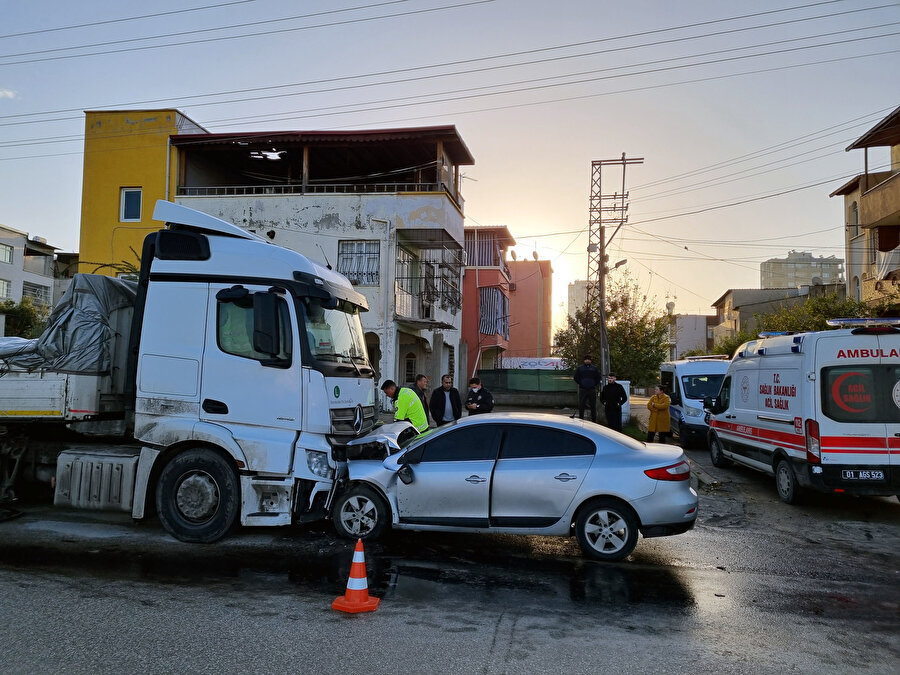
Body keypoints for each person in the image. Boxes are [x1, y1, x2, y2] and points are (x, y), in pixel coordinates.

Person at [573, 354, 600, 423]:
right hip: (583, 389)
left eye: (589, 359)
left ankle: (594, 421)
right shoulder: (580, 368)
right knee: (581, 405)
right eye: (586, 359)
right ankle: (581, 421)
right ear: (584, 360)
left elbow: (598, 378)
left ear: (590, 360)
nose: (587, 361)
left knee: (593, 406)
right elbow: (575, 377)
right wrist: (581, 383)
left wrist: (593, 384)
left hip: (592, 390)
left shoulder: (594, 368)